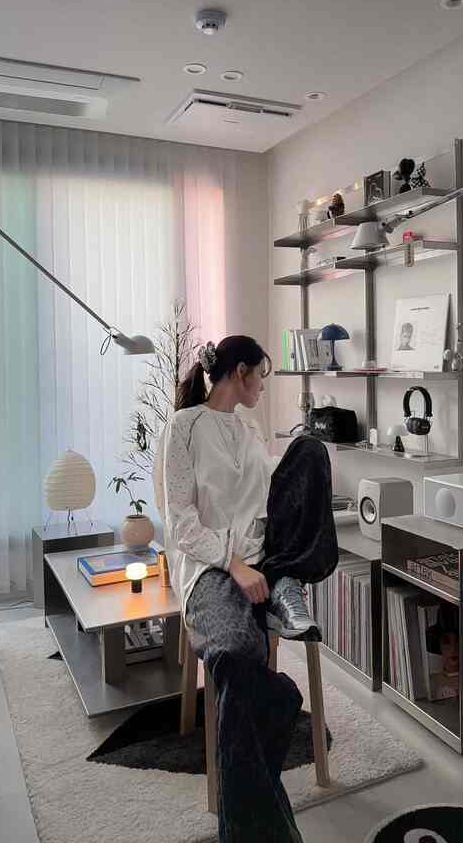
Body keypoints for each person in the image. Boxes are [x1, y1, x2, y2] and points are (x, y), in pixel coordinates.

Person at [159, 335, 338, 843]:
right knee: (240, 652)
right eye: (262, 374)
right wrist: (235, 565)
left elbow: (265, 501)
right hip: (210, 568)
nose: (264, 384)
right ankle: (280, 705)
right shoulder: (184, 426)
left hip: (266, 560)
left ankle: (286, 584)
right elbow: (180, 524)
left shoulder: (252, 428)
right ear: (239, 373)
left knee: (309, 449)